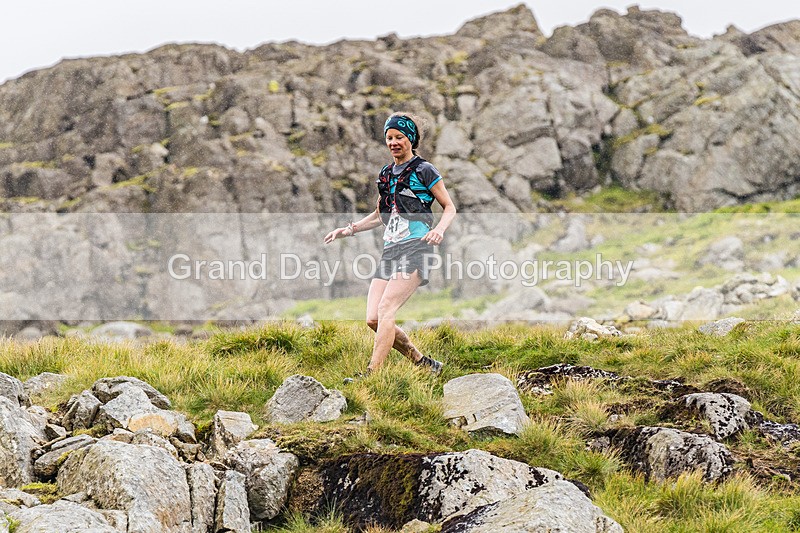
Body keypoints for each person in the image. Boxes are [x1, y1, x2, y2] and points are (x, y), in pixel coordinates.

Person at [324, 112, 457, 376]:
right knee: (373, 318)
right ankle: (424, 363)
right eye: (389, 138)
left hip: (417, 247)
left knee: (387, 309)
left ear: (411, 139)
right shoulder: (386, 173)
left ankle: (372, 374)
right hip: (391, 250)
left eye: (399, 137)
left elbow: (449, 207)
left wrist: (439, 230)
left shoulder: (424, 170)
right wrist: (349, 229)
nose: (394, 142)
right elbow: (379, 215)